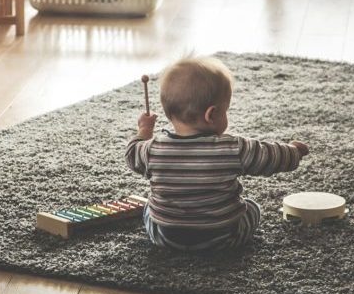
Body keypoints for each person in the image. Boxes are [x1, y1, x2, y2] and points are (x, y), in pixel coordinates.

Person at [126, 57, 309, 251]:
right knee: (253, 207)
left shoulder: (152, 149)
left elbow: (131, 154)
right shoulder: (233, 148)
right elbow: (270, 157)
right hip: (223, 237)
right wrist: (294, 151)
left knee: (148, 207)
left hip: (166, 237)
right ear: (211, 115)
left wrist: (144, 130)